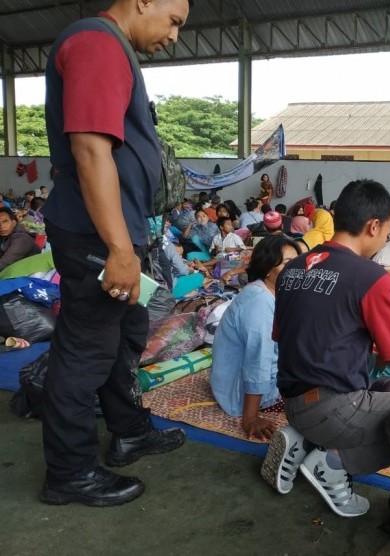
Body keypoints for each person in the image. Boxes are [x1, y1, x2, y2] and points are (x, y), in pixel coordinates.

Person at [39, 0, 191, 508]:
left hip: (114, 235)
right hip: (96, 238)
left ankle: (128, 430)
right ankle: (70, 471)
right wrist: (119, 249)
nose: (174, 36)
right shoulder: (97, 43)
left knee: (123, 336)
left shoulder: (112, 49)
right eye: (173, 21)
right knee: (84, 352)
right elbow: (89, 148)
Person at [267, 179, 390, 518]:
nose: (386, 239)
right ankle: (333, 463)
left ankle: (303, 438)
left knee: (376, 389)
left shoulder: (293, 269)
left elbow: (290, 334)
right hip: (333, 408)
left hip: (291, 402)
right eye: (388, 232)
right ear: (373, 225)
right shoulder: (369, 276)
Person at [211, 235, 300, 439]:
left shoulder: (273, 293)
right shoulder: (259, 300)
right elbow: (258, 359)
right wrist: (250, 417)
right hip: (239, 393)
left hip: (255, 376)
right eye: (288, 263)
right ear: (268, 267)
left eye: (297, 262)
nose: (296, 269)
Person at [0, 207, 42, 272]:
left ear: (13, 223)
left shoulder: (21, 239)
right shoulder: (5, 234)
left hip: (29, 272)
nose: (1, 226)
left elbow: (4, 263)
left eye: (5, 221)